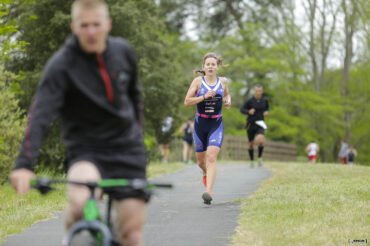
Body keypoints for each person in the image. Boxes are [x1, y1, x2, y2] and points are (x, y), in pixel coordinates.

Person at [9, 1, 148, 245]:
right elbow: (40, 114)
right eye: (85, 26)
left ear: (108, 25)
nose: (91, 32)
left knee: (131, 234)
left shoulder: (124, 52)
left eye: (97, 25)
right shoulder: (61, 65)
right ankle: (73, 232)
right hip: (86, 151)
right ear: (74, 27)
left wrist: (137, 134)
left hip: (127, 150)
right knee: (81, 203)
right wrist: (24, 164)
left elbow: (135, 97)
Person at [184, 52, 231, 204]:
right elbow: (187, 101)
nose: (210, 66)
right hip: (200, 124)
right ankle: (205, 172)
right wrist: (204, 97)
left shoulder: (223, 82)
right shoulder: (198, 82)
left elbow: (227, 95)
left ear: (218, 67)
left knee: (211, 157)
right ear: (204, 67)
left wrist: (228, 101)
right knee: (200, 161)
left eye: (213, 64)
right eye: (208, 64)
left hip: (216, 124)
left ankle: (208, 192)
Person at [240, 84, 269, 168]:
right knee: (251, 144)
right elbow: (242, 109)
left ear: (262, 92)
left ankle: (259, 158)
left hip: (260, 123)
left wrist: (266, 112)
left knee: (260, 140)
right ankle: (252, 160)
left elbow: (267, 108)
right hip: (251, 123)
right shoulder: (250, 101)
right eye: (257, 91)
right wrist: (248, 111)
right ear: (254, 91)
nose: (258, 92)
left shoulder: (265, 100)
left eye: (260, 91)